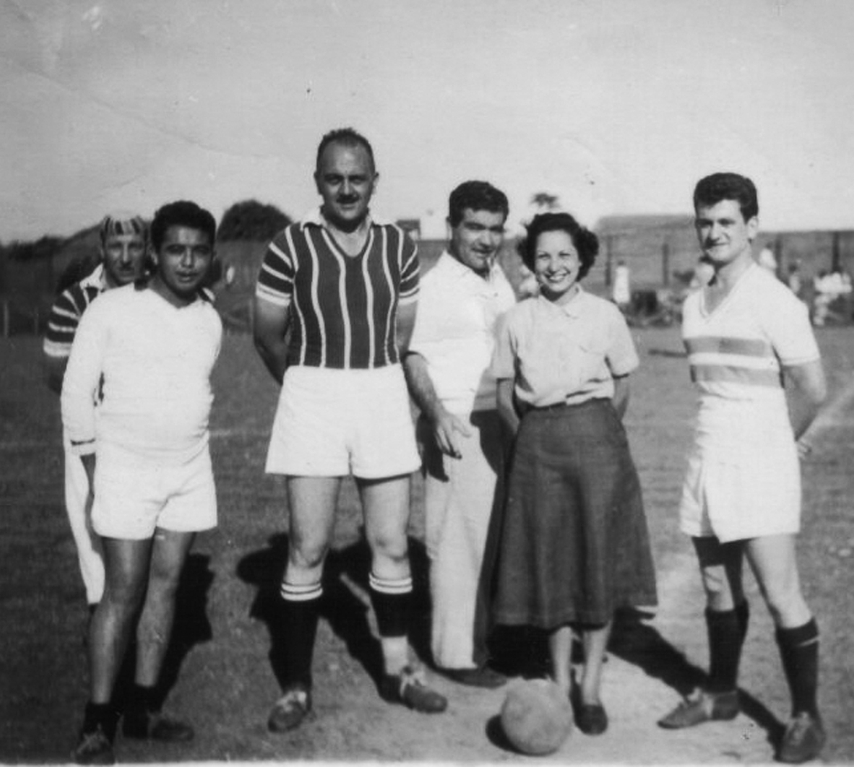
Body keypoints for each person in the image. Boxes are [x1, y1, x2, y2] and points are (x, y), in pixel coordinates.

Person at [253, 127, 447, 733]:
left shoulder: (398, 246)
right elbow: (266, 333)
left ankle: (398, 671)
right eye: (333, 177)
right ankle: (296, 687)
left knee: (389, 542)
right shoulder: (290, 243)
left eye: (356, 178)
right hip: (312, 392)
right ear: (317, 182)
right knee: (308, 548)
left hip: (381, 391)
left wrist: (369, 380)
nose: (345, 188)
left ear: (373, 182)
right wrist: (307, 385)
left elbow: (402, 335)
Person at [658, 173, 828, 764]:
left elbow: (812, 387)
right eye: (706, 221)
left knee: (781, 593)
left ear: (752, 227)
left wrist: (781, 441)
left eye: (727, 221)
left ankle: (807, 716)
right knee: (715, 585)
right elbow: (712, 389)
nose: (715, 231)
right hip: (708, 453)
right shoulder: (691, 306)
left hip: (761, 461)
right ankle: (722, 693)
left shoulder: (776, 300)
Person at [63, 201, 222, 765]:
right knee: (122, 592)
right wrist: (94, 474)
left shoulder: (208, 316)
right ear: (154, 252)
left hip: (187, 471)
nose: (187, 261)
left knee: (166, 586)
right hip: (124, 471)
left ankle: (144, 709)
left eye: (199, 250)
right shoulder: (108, 311)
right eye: (176, 249)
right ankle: (98, 721)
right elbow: (75, 396)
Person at [490, 212, 657, 736]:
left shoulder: (606, 314)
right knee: (553, 566)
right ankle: (561, 681)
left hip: (598, 443)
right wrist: (535, 441)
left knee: (596, 560)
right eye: (543, 255)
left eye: (565, 254)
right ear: (530, 262)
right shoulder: (516, 320)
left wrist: (597, 432)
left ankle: (590, 690)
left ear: (582, 258)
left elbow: (623, 385)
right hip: (538, 447)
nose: (554, 265)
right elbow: (502, 397)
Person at [403, 180, 515, 687]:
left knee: (490, 538)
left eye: (495, 229)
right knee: (456, 544)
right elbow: (413, 355)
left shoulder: (498, 280)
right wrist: (439, 415)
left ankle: (485, 640)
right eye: (475, 227)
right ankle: (457, 654)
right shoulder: (434, 286)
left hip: (501, 424)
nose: (486, 239)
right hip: (458, 427)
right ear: (451, 227)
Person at [44, 213, 149, 613]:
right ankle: (101, 623)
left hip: (143, 431)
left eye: (135, 246)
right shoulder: (75, 300)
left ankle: (130, 632)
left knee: (141, 533)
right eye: (116, 247)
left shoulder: (157, 295)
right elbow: (56, 373)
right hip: (89, 429)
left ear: (147, 249)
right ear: (102, 250)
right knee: (93, 533)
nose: (125, 256)